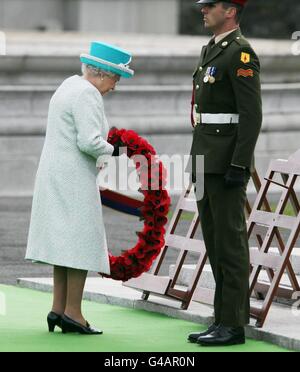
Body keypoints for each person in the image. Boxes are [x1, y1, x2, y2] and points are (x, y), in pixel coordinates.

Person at [25, 41, 134, 335]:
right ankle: (73, 312)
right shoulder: (88, 94)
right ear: (102, 73)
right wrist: (117, 151)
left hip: (55, 173)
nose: (115, 86)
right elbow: (88, 141)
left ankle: (58, 308)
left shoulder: (69, 85)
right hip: (73, 177)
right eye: (115, 78)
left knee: (64, 243)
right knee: (80, 243)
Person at [187, 0, 262, 346]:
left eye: (210, 6)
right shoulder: (212, 50)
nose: (203, 11)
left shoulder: (240, 54)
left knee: (230, 243)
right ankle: (221, 319)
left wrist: (238, 163)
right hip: (204, 160)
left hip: (224, 161)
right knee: (215, 242)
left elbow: (251, 116)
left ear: (230, 10)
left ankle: (233, 324)